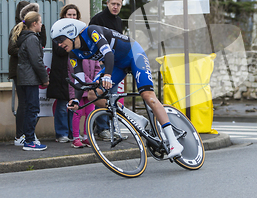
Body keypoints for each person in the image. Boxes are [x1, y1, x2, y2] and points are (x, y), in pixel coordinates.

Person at [51, 19, 183, 158]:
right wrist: (76, 100)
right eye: (56, 41)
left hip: (133, 55)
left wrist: (107, 75)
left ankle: (174, 142)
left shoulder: (91, 31)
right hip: (117, 65)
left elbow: (108, 54)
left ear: (71, 32)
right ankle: (136, 118)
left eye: (61, 39)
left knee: (147, 95)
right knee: (92, 95)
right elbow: (80, 81)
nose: (59, 44)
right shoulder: (73, 54)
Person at [8, 2, 46, 146]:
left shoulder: (35, 31)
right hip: (21, 71)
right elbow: (11, 49)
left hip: (28, 71)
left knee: (31, 106)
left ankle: (29, 134)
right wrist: (27, 52)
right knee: (26, 104)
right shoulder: (18, 30)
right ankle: (22, 136)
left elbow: (42, 44)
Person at [89, 0, 124, 140]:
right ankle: (102, 128)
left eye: (118, 4)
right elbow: (90, 41)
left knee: (112, 97)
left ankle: (111, 128)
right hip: (101, 65)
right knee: (101, 95)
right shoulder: (98, 19)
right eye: (113, 4)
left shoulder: (119, 21)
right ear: (108, 3)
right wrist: (101, 61)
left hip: (115, 65)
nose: (115, 7)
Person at [46, 4, 81, 143]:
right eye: (69, 14)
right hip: (61, 74)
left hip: (75, 73)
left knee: (74, 105)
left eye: (74, 15)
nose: (72, 17)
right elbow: (61, 51)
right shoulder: (58, 31)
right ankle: (61, 134)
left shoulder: (80, 31)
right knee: (62, 106)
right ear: (63, 16)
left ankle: (73, 132)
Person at [69, 59, 100, 148]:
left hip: (91, 88)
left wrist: (95, 80)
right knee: (77, 113)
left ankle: (87, 136)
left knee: (90, 113)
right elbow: (75, 71)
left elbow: (97, 68)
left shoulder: (92, 52)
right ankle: (76, 138)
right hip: (78, 87)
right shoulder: (75, 54)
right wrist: (91, 82)